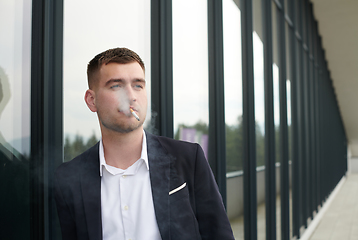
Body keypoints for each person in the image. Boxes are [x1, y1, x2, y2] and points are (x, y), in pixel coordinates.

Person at [54, 47, 235, 240]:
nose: (131, 96)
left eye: (138, 85)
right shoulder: (69, 178)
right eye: (116, 86)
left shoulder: (188, 159)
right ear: (92, 100)